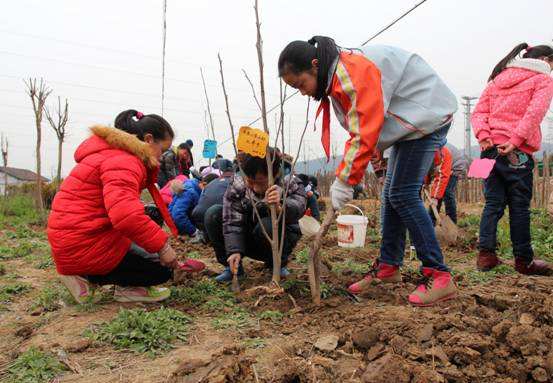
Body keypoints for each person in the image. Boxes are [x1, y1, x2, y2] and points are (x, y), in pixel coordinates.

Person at [278, 36, 458, 306]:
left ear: (315, 66)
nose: (302, 92)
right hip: (405, 126)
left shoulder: (349, 73)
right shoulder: (336, 78)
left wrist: (345, 180)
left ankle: (439, 274)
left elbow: (364, 130)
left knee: (403, 195)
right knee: (391, 195)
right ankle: (388, 267)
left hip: (425, 116)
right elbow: (364, 126)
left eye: (300, 84)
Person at [47, 110, 204, 304]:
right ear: (148, 140)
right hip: (82, 244)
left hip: (76, 238)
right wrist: (163, 248)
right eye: (162, 150)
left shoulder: (112, 154)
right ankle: (89, 277)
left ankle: (86, 274)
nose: (162, 157)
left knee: (151, 245)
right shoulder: (125, 161)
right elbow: (126, 215)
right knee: (161, 270)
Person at [471, 43, 553, 275]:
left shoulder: (497, 78)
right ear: (546, 60)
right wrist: (516, 140)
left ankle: (485, 256)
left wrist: (484, 137)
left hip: (487, 150)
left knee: (491, 204)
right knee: (519, 207)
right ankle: (523, 261)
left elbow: (478, 113)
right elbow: (534, 114)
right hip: (516, 151)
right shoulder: (543, 79)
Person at [205, 148, 306, 282]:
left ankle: (276, 266)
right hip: (248, 239)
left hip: (278, 241)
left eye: (259, 181)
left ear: (274, 174)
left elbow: (298, 208)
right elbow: (232, 220)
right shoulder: (238, 183)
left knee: (268, 225)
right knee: (214, 214)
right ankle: (233, 268)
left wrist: (279, 207)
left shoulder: (289, 182)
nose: (254, 187)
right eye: (250, 180)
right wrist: (234, 249)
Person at [191, 159, 234, 240]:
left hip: (198, 217)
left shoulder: (211, 183)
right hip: (216, 217)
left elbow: (201, 200)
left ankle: (207, 236)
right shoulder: (236, 182)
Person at [169, 174, 219, 238]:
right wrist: (194, 231)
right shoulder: (189, 192)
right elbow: (178, 215)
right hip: (184, 229)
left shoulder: (191, 188)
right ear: (204, 184)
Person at [426, 146, 453, 224]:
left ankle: (451, 222)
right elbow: (426, 172)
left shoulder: (444, 153)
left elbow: (442, 177)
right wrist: (426, 183)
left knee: (446, 193)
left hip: (455, 166)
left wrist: (435, 197)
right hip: (440, 166)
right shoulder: (426, 154)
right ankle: (431, 223)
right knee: (437, 193)